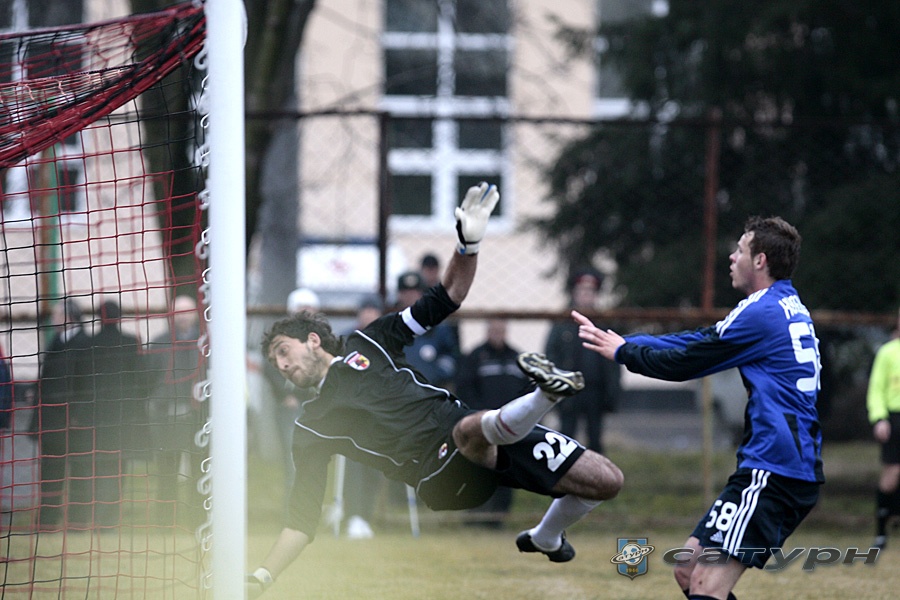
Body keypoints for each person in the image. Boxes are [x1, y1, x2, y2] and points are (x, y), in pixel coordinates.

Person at [247, 183, 624, 597]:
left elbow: (448, 296)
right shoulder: (311, 427)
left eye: (283, 351)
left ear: (312, 339)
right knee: (469, 429)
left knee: (606, 480)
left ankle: (546, 536)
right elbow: (300, 521)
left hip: (488, 431)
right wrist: (261, 577)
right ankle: (545, 395)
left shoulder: (369, 341)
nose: (281, 365)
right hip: (439, 474)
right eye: (275, 362)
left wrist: (468, 245)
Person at [575, 216, 823, 600]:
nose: (732, 257)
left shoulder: (762, 311)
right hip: (777, 464)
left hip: (776, 467)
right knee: (688, 570)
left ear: (759, 261)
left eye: (740, 250)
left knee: (707, 584)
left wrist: (626, 354)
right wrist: (627, 343)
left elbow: (687, 362)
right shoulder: (782, 305)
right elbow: (700, 340)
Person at [74, 299, 149, 527]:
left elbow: (79, 383)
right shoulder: (130, 343)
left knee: (95, 468)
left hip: (93, 418)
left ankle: (95, 517)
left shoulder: (88, 345)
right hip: (122, 418)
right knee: (117, 468)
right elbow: (141, 381)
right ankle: (110, 519)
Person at [455, 318, 532, 527]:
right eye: (494, 330)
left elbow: (527, 392)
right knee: (477, 469)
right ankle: (474, 517)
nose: (498, 334)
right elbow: (465, 389)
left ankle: (498, 518)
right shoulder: (475, 357)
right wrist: (478, 415)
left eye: (501, 330)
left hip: (509, 427)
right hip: (482, 425)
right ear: (487, 331)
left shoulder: (517, 358)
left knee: (505, 470)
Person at [545, 268, 620, 454]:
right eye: (582, 290)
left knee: (595, 438)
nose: (586, 295)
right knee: (566, 437)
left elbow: (614, 361)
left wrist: (612, 391)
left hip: (595, 390)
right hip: (568, 390)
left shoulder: (603, 323)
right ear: (574, 293)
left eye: (590, 291)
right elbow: (551, 355)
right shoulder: (562, 323)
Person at [262, 287, 321, 517]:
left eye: (309, 308)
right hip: (291, 406)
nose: (306, 312)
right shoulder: (280, 337)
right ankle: (293, 515)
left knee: (315, 461)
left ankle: (311, 513)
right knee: (293, 461)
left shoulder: (321, 338)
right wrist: (284, 394)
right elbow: (270, 365)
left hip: (315, 405)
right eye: (301, 307)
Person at [146, 294, 204, 525]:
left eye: (186, 311)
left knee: (199, 470)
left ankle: (197, 520)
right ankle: (165, 523)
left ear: (195, 314)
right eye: (178, 312)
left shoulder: (206, 344)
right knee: (167, 471)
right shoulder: (159, 343)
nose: (182, 316)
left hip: (197, 417)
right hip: (166, 418)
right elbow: (148, 378)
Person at [34, 299, 91, 528]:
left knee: (79, 472)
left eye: (58, 314)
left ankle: (77, 521)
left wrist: (78, 415)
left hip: (74, 422)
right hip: (51, 421)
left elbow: (87, 386)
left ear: (69, 317)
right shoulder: (55, 342)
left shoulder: (85, 344)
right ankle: (47, 520)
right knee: (50, 472)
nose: (54, 319)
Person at [867, 308, 900, 550]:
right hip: (895, 418)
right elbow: (876, 389)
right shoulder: (888, 352)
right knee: (892, 474)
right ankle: (881, 531)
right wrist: (879, 418)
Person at [394, 270, 459, 390]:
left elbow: (450, 357)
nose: (410, 296)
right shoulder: (391, 325)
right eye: (405, 292)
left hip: (430, 389)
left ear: (422, 294)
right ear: (399, 295)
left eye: (414, 292)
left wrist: (433, 373)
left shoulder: (437, 324)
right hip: (397, 389)